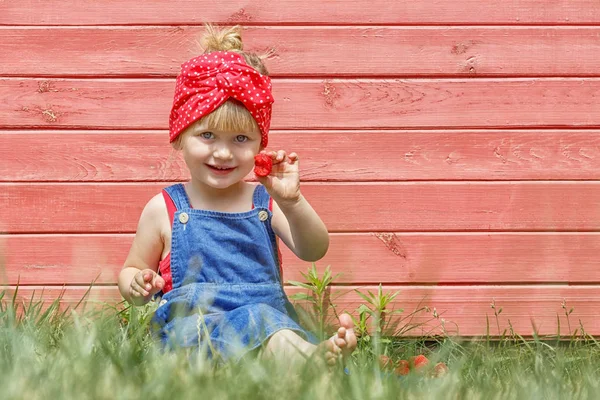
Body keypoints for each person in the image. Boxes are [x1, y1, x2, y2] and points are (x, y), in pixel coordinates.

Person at [117, 24, 356, 367]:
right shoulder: (165, 208)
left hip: (267, 326)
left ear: (260, 144)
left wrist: (292, 202)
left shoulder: (264, 202)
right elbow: (132, 268)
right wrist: (137, 283)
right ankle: (309, 363)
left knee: (271, 328)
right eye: (208, 135)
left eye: (241, 139)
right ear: (179, 136)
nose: (224, 153)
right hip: (193, 333)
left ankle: (309, 364)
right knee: (260, 324)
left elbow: (314, 248)